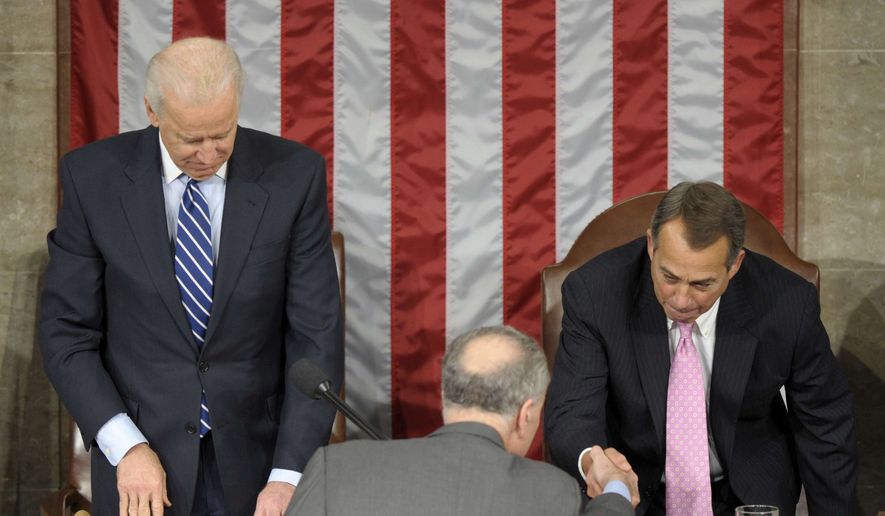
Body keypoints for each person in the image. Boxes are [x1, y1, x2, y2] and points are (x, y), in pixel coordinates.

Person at [39, 37, 342, 516]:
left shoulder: (294, 176)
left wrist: (288, 476)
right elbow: (66, 334)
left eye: (222, 133)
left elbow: (315, 338)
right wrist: (126, 446)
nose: (209, 153)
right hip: (138, 466)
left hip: (259, 464)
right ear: (153, 112)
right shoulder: (92, 178)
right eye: (190, 140)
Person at [544, 181, 857, 516]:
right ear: (652, 246)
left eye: (701, 284)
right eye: (669, 276)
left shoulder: (788, 303)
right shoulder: (596, 293)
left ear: (734, 265)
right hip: (634, 489)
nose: (681, 299)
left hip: (748, 492)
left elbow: (825, 423)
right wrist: (595, 460)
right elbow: (572, 411)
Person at [286, 325, 638, 516]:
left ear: (445, 396)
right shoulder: (551, 492)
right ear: (525, 415)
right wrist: (616, 487)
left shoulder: (335, 468)